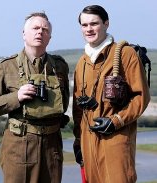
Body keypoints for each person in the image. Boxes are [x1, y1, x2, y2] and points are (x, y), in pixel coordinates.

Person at [0, 12, 70, 183]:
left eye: (45, 29)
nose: (40, 32)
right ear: (24, 33)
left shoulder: (59, 66)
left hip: (51, 146)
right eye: (35, 28)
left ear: (50, 37)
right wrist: (17, 96)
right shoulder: (7, 66)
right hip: (19, 145)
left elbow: (64, 103)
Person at [72, 5, 150, 183]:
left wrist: (116, 121)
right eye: (84, 25)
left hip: (115, 141)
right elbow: (78, 109)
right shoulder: (81, 63)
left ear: (106, 24)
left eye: (94, 23)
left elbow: (141, 97)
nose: (89, 29)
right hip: (88, 145)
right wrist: (78, 140)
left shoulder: (125, 54)